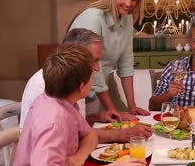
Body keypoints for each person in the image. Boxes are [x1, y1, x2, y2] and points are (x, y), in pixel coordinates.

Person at [9, 44, 147, 166]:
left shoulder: (63, 102)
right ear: (82, 87)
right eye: (92, 77)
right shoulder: (53, 119)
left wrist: (80, 156)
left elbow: (90, 135)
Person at [20, 28, 153, 143]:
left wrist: (96, 117)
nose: (97, 68)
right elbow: (69, 136)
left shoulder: (75, 79)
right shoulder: (47, 84)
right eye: (93, 60)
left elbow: (71, 124)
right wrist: (122, 134)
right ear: (74, 54)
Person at [68, 0, 149, 116]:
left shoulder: (127, 19)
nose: (128, 3)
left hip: (93, 94)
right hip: (73, 92)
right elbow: (93, 68)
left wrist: (132, 106)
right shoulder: (93, 17)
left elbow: (126, 63)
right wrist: (112, 109)